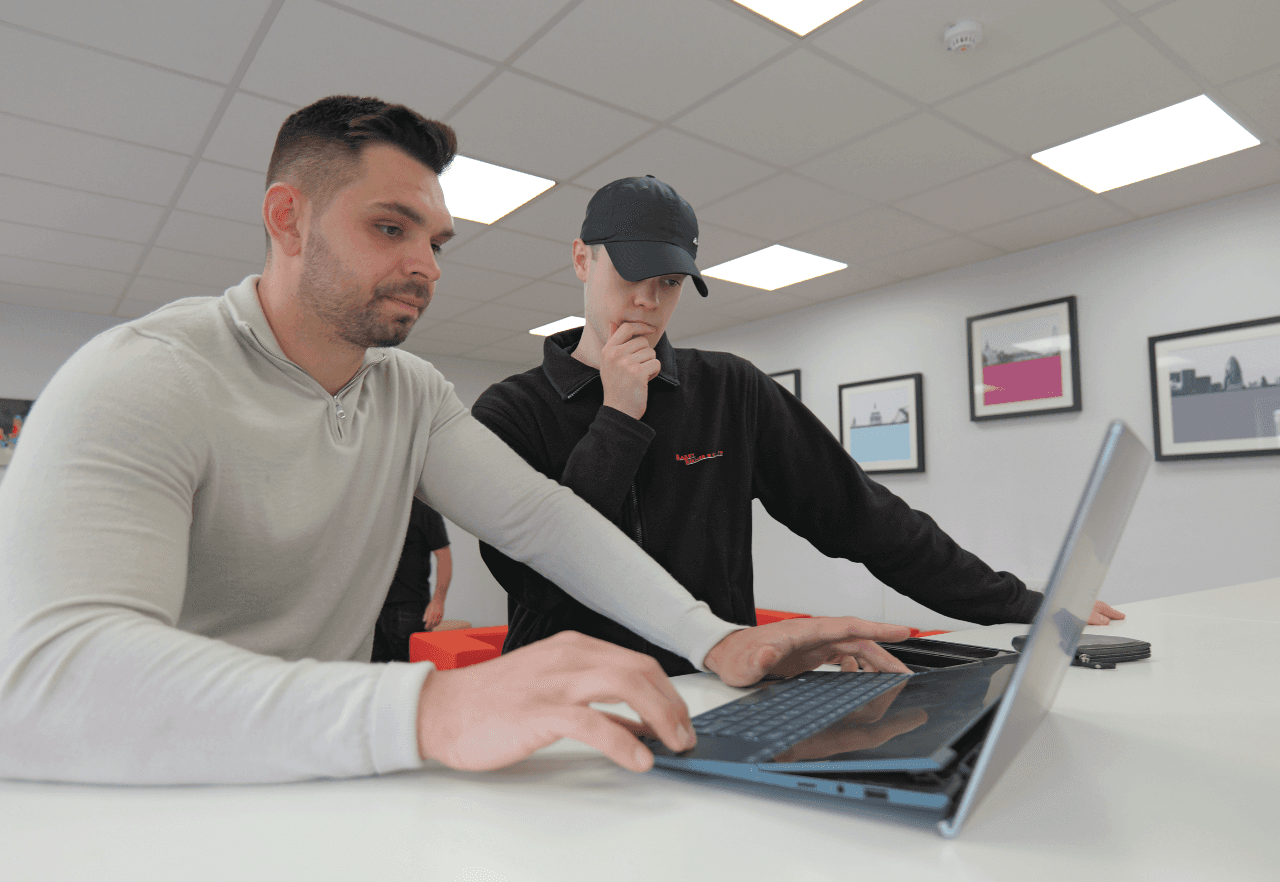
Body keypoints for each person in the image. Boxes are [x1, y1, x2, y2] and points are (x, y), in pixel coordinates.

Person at [0, 97, 918, 787]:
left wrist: (717, 640)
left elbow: (543, 521)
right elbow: (44, 683)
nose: (426, 266)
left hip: (319, 779)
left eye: (436, 240)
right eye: (390, 228)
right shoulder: (139, 377)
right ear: (287, 219)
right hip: (130, 797)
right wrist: (431, 706)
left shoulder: (408, 392)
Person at [472, 176, 1124, 676]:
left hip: (712, 688)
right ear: (583, 260)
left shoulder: (731, 389)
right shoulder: (509, 411)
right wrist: (617, 418)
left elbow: (863, 517)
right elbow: (537, 578)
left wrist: (1018, 603)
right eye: (632, 274)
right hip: (564, 700)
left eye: (669, 281)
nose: (647, 300)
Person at [371, 498, 454, 663]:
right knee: (377, 675)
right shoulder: (375, 510)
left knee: (413, 675)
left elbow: (443, 556)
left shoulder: (422, 509)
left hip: (409, 609)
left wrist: (438, 601)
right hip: (374, 609)